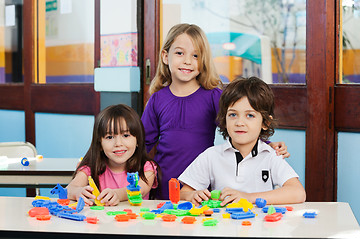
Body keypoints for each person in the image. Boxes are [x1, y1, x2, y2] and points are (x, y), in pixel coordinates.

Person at [141, 23, 289, 200]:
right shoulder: (157, 99)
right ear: (165, 56)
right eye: (180, 53)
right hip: (164, 187)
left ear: (203, 60)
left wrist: (268, 144)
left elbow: (238, 125)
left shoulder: (213, 96)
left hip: (201, 190)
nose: (187, 60)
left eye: (195, 55)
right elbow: (143, 144)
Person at [178, 77, 306, 206]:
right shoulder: (211, 156)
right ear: (224, 118)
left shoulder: (271, 156)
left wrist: (248, 197)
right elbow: (182, 193)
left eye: (250, 115)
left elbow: (298, 193)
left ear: (265, 123)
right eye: (233, 115)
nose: (239, 123)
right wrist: (193, 195)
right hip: (223, 224)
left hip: (260, 225)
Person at [67, 104, 160, 206]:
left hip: (136, 221)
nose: (118, 143)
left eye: (125, 135)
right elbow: (69, 189)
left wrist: (117, 194)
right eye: (110, 137)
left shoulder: (146, 168)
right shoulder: (90, 168)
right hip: (102, 221)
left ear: (138, 140)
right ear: (100, 144)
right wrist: (77, 192)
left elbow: (140, 190)